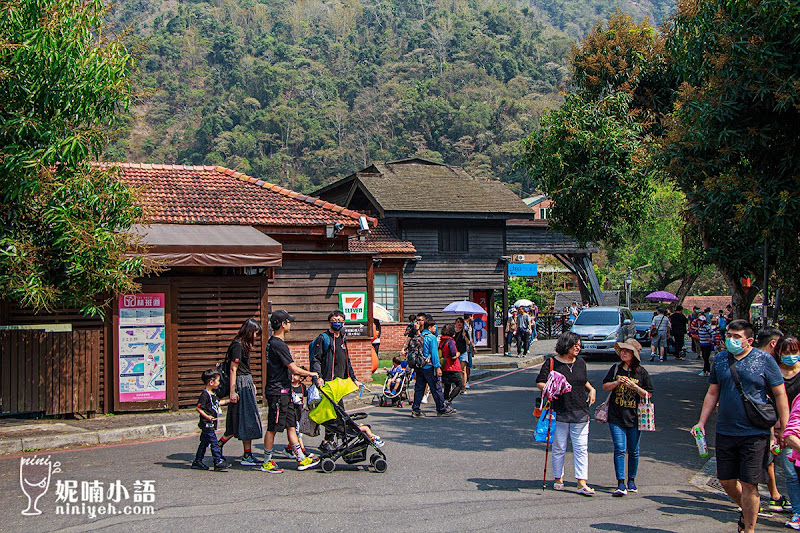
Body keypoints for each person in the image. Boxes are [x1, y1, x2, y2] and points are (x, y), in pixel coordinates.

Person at [692, 320, 790, 533]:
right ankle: (746, 509)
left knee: (749, 484)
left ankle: (749, 528)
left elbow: (780, 393)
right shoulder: (720, 359)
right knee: (726, 481)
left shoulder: (764, 360)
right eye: (729, 335)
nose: (731, 340)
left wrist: (784, 426)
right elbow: (712, 392)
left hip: (755, 433)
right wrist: (701, 421)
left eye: (737, 337)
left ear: (750, 340)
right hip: (726, 431)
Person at [260, 310, 321, 474]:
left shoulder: (274, 343)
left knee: (291, 425)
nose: (290, 324)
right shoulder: (277, 344)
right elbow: (293, 368)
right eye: (288, 321)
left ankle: (301, 457)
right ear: (282, 324)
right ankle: (267, 461)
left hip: (284, 391)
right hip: (277, 392)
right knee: (273, 427)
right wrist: (311, 374)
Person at [537, 331, 597, 496]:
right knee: (559, 447)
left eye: (579, 344)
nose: (578, 347)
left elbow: (582, 381)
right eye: (575, 344)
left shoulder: (580, 363)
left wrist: (591, 389)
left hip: (580, 410)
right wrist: (551, 388)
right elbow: (540, 382)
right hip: (559, 410)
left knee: (581, 448)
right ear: (566, 345)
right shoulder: (551, 363)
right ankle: (558, 479)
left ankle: (581, 482)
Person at [602, 339, 653, 495]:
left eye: (627, 351)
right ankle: (620, 483)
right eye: (622, 350)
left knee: (633, 450)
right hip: (616, 415)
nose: (623, 353)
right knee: (619, 448)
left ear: (634, 355)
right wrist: (617, 383)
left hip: (635, 417)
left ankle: (632, 480)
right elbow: (605, 386)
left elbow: (648, 394)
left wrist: (635, 387)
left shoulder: (642, 372)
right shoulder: (616, 368)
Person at [311, 309, 363, 454]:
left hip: (340, 384)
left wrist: (354, 379)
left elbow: (347, 361)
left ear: (344, 322)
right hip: (329, 382)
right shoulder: (324, 338)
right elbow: (316, 359)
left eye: (340, 320)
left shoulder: (342, 339)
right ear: (329, 322)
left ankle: (330, 440)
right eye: (335, 320)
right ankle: (333, 440)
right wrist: (318, 377)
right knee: (336, 412)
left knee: (336, 412)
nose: (337, 322)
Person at [754, 328, 791, 516]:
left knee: (769, 459)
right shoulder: (765, 362)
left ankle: (773, 495)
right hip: (763, 421)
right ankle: (753, 500)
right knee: (763, 459)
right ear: (774, 344)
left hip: (767, 420)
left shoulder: (753, 359)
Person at [219, 318, 264, 466]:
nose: (256, 337)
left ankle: (244, 453)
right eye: (255, 333)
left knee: (241, 420)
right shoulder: (238, 346)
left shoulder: (241, 345)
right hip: (240, 383)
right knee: (245, 419)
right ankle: (220, 447)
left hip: (246, 382)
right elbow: (233, 369)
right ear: (249, 332)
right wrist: (233, 391)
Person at [774, 336, 800, 529]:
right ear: (779, 353)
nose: (790, 356)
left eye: (794, 352)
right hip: (783, 429)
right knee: (790, 471)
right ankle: (798, 510)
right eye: (786, 353)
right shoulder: (774, 372)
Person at [411, 317, 456, 418]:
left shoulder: (419, 336)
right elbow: (434, 354)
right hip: (429, 367)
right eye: (434, 327)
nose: (436, 329)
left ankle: (416, 409)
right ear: (430, 327)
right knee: (436, 388)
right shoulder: (431, 338)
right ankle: (441, 409)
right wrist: (438, 367)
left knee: (419, 388)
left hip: (419, 366)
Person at [192, 368, 231, 471]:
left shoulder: (213, 394)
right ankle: (217, 461)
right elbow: (199, 407)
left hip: (211, 423)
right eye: (218, 381)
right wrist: (207, 416)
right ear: (211, 382)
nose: (219, 383)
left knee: (204, 443)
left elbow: (218, 403)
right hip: (207, 423)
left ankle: (197, 461)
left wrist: (229, 400)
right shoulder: (205, 395)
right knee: (214, 443)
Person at [439, 324, 463, 402]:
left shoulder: (442, 341)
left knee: (447, 386)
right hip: (452, 367)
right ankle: (449, 400)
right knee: (459, 384)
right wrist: (458, 354)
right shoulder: (450, 341)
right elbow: (453, 354)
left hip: (444, 366)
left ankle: (445, 401)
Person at [454, 317, 472, 391]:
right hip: (455, 353)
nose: (459, 324)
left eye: (461, 322)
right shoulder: (453, 332)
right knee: (456, 370)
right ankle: (457, 385)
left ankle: (463, 387)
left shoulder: (465, 332)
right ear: (455, 323)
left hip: (463, 352)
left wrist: (465, 336)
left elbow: (468, 342)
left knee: (463, 370)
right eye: (458, 322)